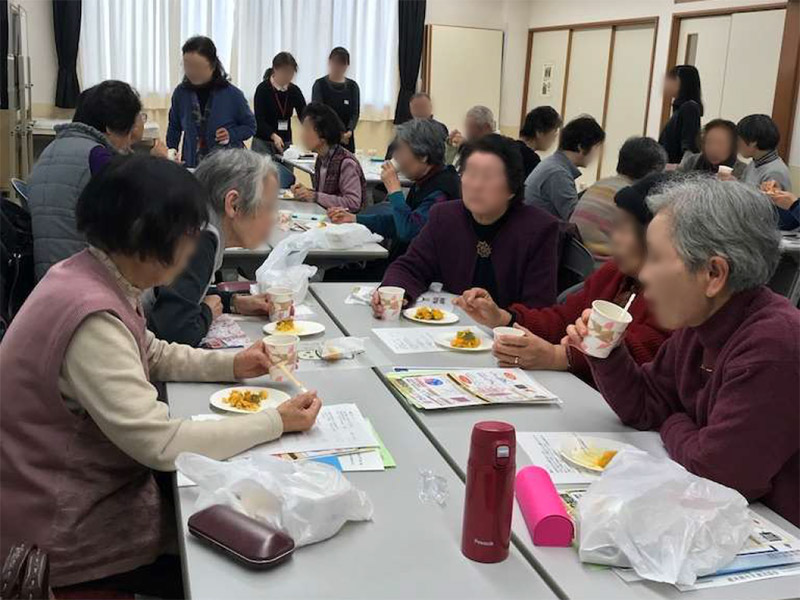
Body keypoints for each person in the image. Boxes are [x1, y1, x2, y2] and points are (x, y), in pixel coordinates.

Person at [0, 156, 322, 594]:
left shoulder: (89, 275)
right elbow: (161, 444)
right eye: (188, 235)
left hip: (75, 491)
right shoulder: (92, 319)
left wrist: (231, 364)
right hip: (60, 531)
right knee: (240, 567)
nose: (193, 248)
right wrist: (275, 421)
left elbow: (150, 351)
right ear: (147, 236)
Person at [563, 178, 799, 527]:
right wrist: (607, 353)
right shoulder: (701, 324)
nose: (644, 273)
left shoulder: (775, 345)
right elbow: (646, 405)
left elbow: (720, 472)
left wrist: (673, 421)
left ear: (713, 274)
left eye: (656, 258)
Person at [455, 173, 671, 385]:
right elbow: (563, 318)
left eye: (624, 229)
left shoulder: (671, 294)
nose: (613, 237)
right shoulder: (614, 274)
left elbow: (640, 353)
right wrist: (503, 317)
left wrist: (557, 356)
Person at [373, 134, 560, 313]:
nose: (476, 185)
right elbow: (411, 267)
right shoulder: (445, 216)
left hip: (505, 330)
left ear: (512, 188)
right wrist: (394, 292)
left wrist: (503, 319)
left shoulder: (538, 229)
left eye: (488, 177)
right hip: (450, 326)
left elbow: (539, 307)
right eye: (470, 174)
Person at [147, 149, 279, 346]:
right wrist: (207, 312)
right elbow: (175, 332)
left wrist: (231, 302)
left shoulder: (196, 219)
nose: (273, 218)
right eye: (268, 207)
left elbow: (180, 293)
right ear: (233, 204)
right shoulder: (199, 237)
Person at [27, 80, 142, 281]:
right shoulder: (97, 157)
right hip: (84, 281)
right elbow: (128, 222)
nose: (127, 144)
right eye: (129, 132)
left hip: (46, 281)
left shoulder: (49, 151)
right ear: (110, 127)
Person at [328, 118, 461, 260]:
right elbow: (398, 223)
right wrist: (355, 218)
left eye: (402, 150)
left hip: (423, 269)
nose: (395, 156)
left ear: (423, 156)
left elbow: (408, 231)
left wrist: (395, 191)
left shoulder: (441, 192)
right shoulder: (425, 180)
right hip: (406, 262)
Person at [570, 137, 667, 259]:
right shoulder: (634, 198)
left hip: (573, 259)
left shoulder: (600, 184)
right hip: (601, 261)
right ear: (654, 171)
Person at [167, 36, 256, 168]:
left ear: (213, 65)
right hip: (192, 164)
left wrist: (230, 134)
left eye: (197, 66)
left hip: (225, 166)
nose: (191, 71)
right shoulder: (181, 93)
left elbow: (250, 126)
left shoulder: (232, 94)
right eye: (187, 65)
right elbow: (174, 126)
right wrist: (171, 151)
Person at [524, 115, 605, 220]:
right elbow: (576, 218)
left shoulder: (554, 164)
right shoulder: (558, 173)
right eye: (596, 148)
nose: (597, 154)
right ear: (581, 147)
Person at [290, 103, 366, 211]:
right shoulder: (321, 159)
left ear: (323, 136)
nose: (302, 135)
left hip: (343, 220)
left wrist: (314, 196)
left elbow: (353, 203)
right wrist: (306, 192)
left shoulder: (346, 163)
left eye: (307, 130)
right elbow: (326, 195)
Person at [737, 114, 796, 230]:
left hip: (765, 230)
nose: (737, 144)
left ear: (753, 142)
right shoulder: (754, 163)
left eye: (739, 140)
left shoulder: (774, 172)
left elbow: (768, 214)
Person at [252, 52, 307, 157]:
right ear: (275, 70)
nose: (288, 77)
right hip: (263, 142)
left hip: (285, 141)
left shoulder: (294, 90)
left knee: (287, 167)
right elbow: (259, 120)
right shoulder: (263, 89)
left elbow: (304, 115)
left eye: (291, 73)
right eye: (285, 72)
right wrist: (273, 136)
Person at [312, 47, 360, 152]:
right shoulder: (320, 84)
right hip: (326, 139)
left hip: (347, 139)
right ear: (329, 62)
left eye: (342, 64)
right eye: (336, 63)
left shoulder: (353, 86)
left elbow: (355, 113)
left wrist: (349, 130)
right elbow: (318, 113)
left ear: (347, 65)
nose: (338, 67)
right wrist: (338, 134)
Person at [658, 65, 703, 165]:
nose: (665, 83)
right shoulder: (681, 109)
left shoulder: (689, 108)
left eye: (670, 79)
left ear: (679, 81)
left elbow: (689, 147)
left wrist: (678, 168)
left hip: (675, 170)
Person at [385, 92, 448, 159]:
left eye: (423, 106)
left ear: (430, 107)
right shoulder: (404, 130)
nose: (420, 111)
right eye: (416, 107)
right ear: (411, 109)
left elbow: (446, 155)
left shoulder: (440, 128)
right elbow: (390, 156)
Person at [678, 118, 746, 179]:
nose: (714, 148)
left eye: (720, 143)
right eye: (709, 142)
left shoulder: (742, 171)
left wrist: (734, 185)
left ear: (733, 146)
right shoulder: (692, 161)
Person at [517, 106, 562, 178]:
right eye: (553, 135)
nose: (553, 141)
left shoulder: (509, 147)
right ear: (539, 132)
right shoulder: (531, 160)